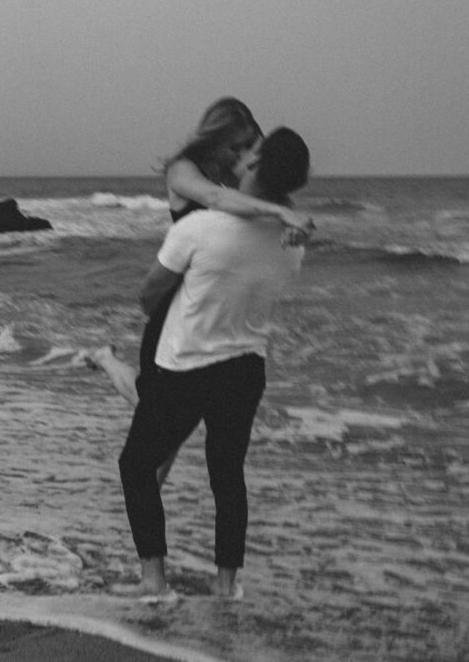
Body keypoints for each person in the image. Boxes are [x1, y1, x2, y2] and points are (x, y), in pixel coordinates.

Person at [116, 127, 312, 602]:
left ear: (257, 166)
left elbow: (148, 293)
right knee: (227, 476)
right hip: (246, 368)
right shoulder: (292, 243)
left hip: (184, 366)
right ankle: (226, 587)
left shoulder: (198, 227)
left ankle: (154, 581)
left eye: (252, 153)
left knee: (135, 466)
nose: (242, 157)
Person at [89, 98, 313, 485]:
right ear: (212, 138)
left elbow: (271, 200)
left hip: (204, 303)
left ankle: (144, 528)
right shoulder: (184, 170)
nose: (240, 155)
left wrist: (297, 221)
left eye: (248, 147)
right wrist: (280, 213)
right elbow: (216, 200)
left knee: (163, 424)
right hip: (175, 303)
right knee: (156, 415)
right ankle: (107, 361)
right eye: (234, 145)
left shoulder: (234, 179)